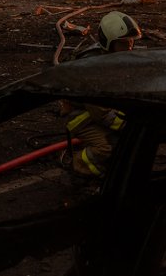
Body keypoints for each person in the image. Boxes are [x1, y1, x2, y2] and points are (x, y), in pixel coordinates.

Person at [60, 11, 142, 178]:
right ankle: (80, 168)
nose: (129, 48)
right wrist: (131, 125)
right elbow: (100, 111)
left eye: (131, 42)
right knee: (109, 147)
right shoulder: (93, 67)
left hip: (100, 110)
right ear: (108, 43)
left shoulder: (115, 58)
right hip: (80, 115)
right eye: (123, 43)